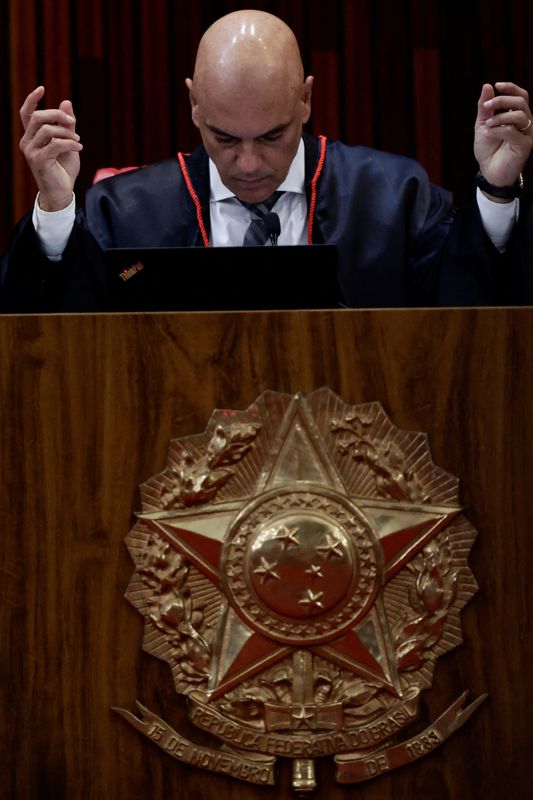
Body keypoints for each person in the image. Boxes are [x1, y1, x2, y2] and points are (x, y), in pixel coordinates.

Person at [1, 9, 532, 312]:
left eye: (274, 136)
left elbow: (472, 308)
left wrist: (496, 190)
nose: (249, 164)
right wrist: (55, 206)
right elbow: (48, 326)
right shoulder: (126, 212)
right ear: (193, 105)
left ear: (305, 100)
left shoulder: (393, 197)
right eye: (225, 138)